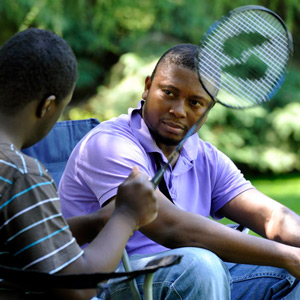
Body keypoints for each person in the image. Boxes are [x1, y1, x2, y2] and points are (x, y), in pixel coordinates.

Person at [59, 44, 300, 299]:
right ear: (148, 86)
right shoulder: (109, 144)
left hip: (185, 276)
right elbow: (171, 227)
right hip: (108, 281)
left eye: (195, 102)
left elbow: (272, 217)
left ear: (208, 109)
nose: (179, 110)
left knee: (290, 274)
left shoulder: (206, 157)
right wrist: (286, 255)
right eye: (169, 93)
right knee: (199, 266)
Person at [0, 28, 158, 300]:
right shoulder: (20, 174)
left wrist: (94, 222)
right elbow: (78, 286)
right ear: (47, 106)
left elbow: (18, 240)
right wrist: (127, 216)